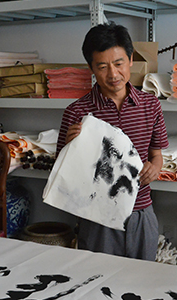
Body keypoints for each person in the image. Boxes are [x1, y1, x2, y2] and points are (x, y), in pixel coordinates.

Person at [56, 22, 168, 260]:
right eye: (102, 67)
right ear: (91, 68)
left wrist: (155, 168)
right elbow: (62, 174)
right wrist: (68, 147)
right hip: (96, 216)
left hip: (141, 213)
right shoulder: (77, 112)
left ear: (130, 59)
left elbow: (156, 155)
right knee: (98, 277)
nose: (113, 74)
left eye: (118, 64)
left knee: (144, 279)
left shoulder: (150, 106)